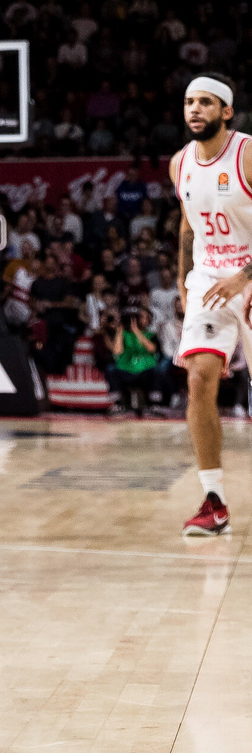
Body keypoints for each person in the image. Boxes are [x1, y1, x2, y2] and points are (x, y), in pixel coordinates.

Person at [169, 76, 252, 536]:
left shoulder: (247, 153)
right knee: (199, 378)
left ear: (226, 112)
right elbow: (186, 225)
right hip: (207, 282)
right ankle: (214, 502)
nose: (194, 109)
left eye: (205, 102)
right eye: (189, 102)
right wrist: (184, 283)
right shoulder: (179, 162)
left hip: (250, 275)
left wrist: (244, 276)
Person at [106, 304, 162, 418]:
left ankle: (154, 405)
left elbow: (152, 348)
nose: (136, 320)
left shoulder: (151, 335)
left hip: (145, 371)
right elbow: (117, 351)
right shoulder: (122, 334)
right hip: (125, 370)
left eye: (140, 317)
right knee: (111, 369)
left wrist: (136, 331)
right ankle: (118, 405)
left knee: (157, 370)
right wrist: (120, 330)